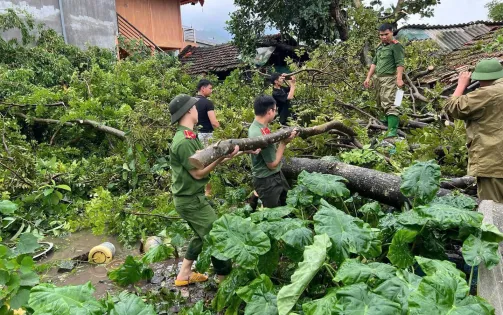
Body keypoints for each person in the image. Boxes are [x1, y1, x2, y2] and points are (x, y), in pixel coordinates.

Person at [169, 94, 239, 286]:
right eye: (194, 108)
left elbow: (204, 160)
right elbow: (198, 174)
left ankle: (184, 275)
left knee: (201, 234)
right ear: (189, 111)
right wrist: (219, 159)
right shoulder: (183, 141)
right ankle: (225, 279)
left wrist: (226, 156)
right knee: (217, 234)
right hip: (190, 200)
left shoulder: (190, 136)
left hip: (192, 198)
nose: (197, 110)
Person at [444, 58, 503, 203]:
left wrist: (461, 85)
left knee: (493, 210)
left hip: (493, 161)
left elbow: (453, 107)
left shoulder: (488, 93)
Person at [248, 95, 297, 208]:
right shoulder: (259, 134)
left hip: (273, 176)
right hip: (268, 180)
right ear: (270, 111)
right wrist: (283, 143)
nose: (275, 113)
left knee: (287, 205)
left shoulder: (258, 127)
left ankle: (254, 200)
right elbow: (272, 164)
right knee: (273, 214)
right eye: (275, 110)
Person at [364, 23, 405, 140]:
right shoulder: (380, 47)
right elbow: (374, 63)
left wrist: (399, 78)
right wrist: (368, 77)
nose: (383, 37)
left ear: (392, 32)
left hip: (390, 78)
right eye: (381, 35)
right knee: (379, 101)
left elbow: (400, 63)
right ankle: (385, 124)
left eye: (386, 34)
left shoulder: (396, 46)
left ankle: (392, 131)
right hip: (378, 78)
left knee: (390, 102)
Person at [195, 79, 220, 146]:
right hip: (206, 135)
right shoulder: (208, 103)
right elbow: (214, 122)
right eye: (210, 88)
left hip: (195, 134)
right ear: (203, 88)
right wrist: (222, 132)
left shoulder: (191, 102)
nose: (211, 91)